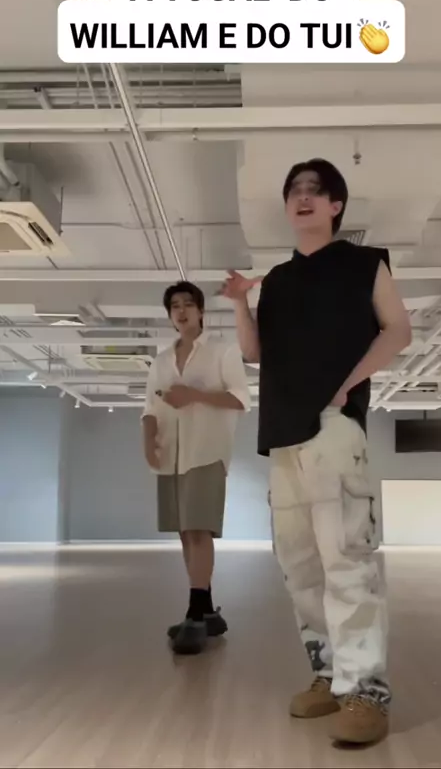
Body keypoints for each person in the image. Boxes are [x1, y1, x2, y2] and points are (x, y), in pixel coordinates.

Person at [221, 158, 411, 745]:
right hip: (281, 434)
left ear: (336, 206)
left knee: (346, 561)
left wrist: (348, 384)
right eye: (295, 191)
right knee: (300, 567)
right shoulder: (277, 280)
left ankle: (366, 692)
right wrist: (239, 303)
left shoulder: (365, 264)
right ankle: (329, 675)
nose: (303, 197)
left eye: (316, 190)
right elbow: (255, 353)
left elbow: (398, 330)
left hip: (333, 427)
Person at [142, 281, 250, 655]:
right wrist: (148, 440)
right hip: (171, 455)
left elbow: (241, 398)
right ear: (169, 314)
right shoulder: (160, 361)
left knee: (198, 530)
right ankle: (205, 610)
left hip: (207, 452)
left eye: (189, 304)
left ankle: (194, 611)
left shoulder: (223, 350)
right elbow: (150, 407)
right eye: (175, 305)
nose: (182, 310)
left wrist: (194, 396)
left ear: (201, 311)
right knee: (185, 534)